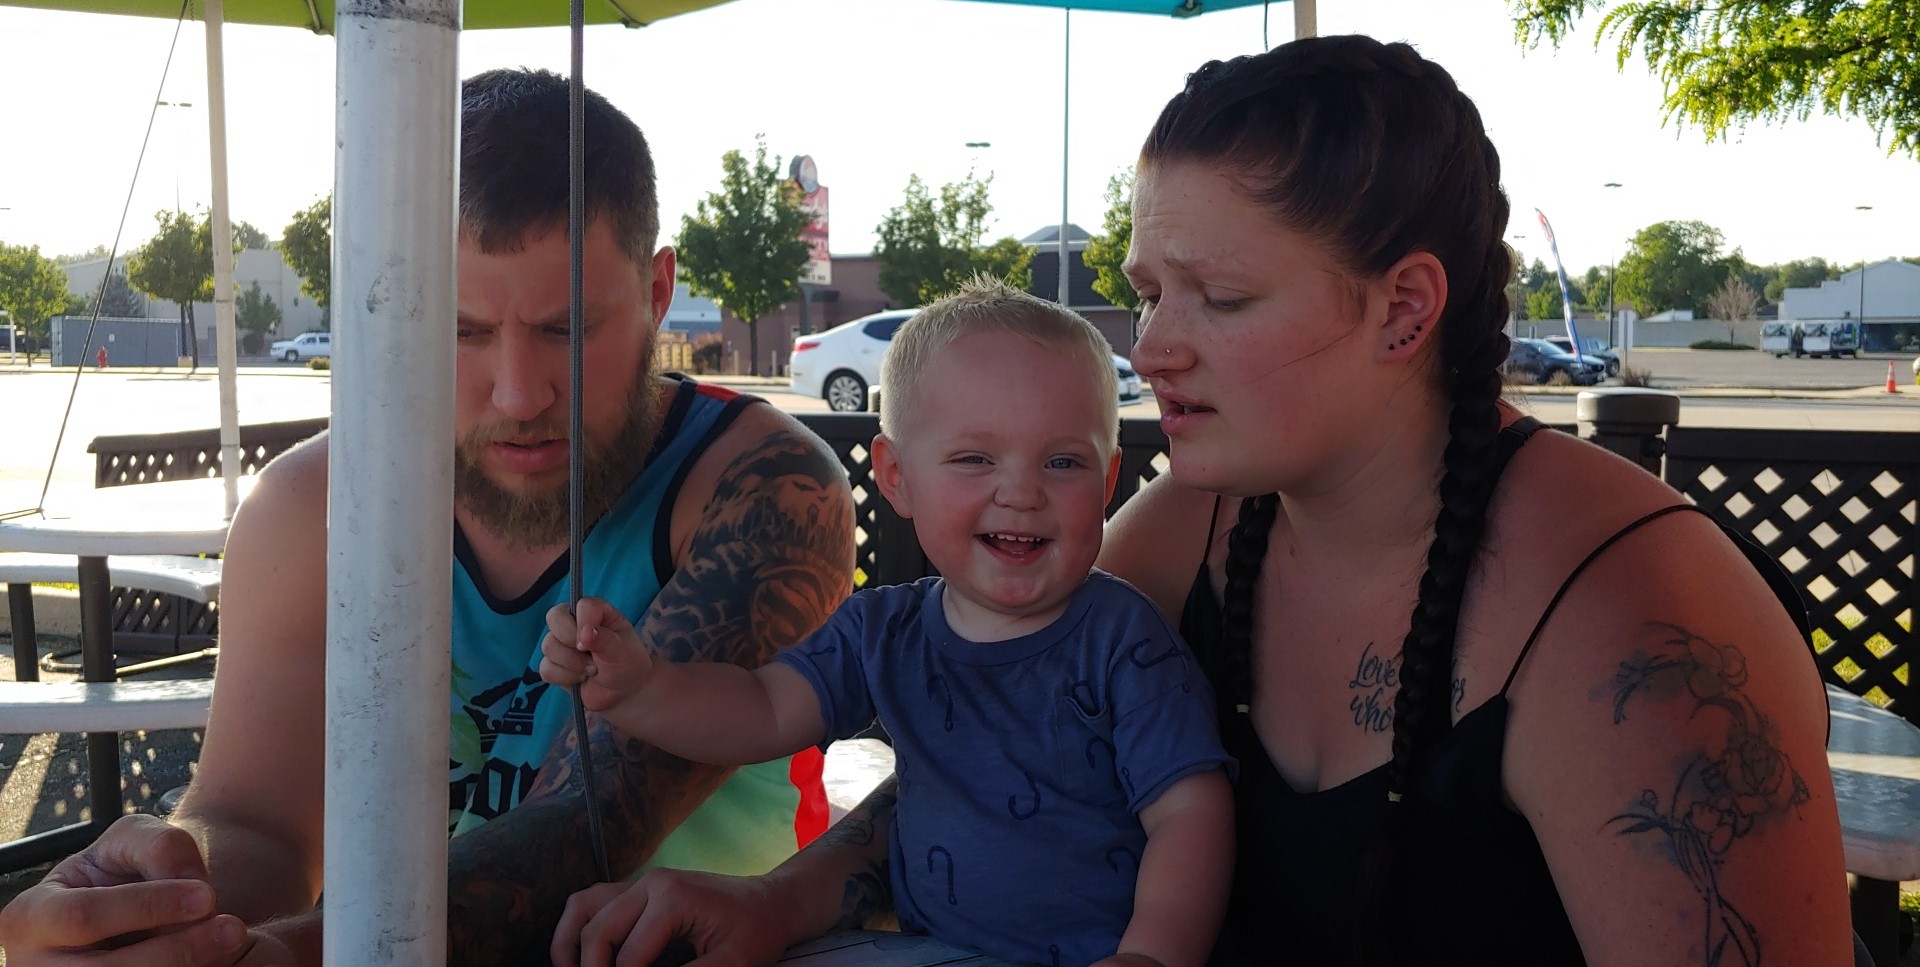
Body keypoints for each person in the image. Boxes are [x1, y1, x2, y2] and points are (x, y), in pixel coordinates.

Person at [556, 35, 1853, 967]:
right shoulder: (1199, 523)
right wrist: (780, 901)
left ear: (1405, 308)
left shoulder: (1632, 620)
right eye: (1148, 291)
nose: (1154, 345)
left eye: (1220, 298)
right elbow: (1006, 759)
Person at [0, 68, 855, 967]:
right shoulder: (311, 508)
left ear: (656, 291)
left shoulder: (765, 488)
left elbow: (584, 828)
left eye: (567, 329)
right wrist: (168, 914)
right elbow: (257, 824)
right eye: (459, 329)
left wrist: (289, 955)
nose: (520, 394)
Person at [541, 279, 1235, 967]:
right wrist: (643, 690)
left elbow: (1190, 810)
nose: (1021, 492)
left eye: (1062, 461)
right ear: (896, 476)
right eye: (974, 458)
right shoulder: (884, 631)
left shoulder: (1124, 640)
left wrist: (1154, 955)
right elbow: (764, 709)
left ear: (1108, 481)